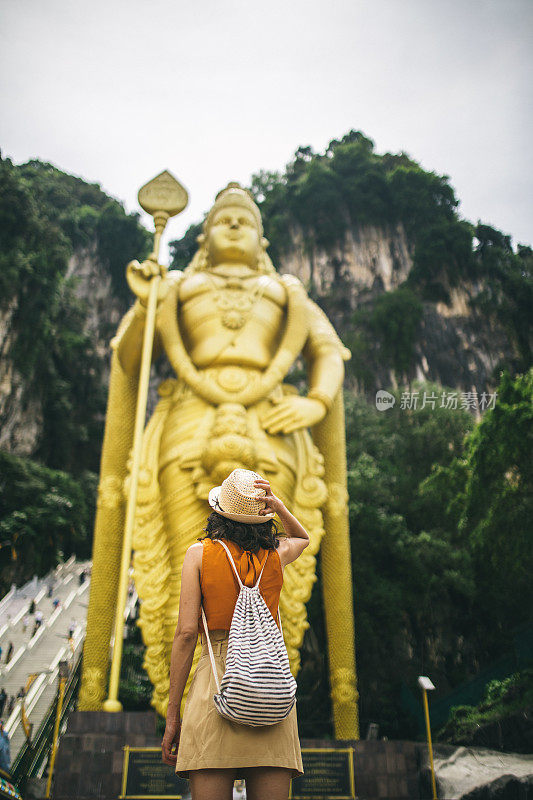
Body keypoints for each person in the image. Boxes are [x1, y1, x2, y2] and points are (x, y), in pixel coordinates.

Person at [80, 183, 358, 741]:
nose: (234, 225)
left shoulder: (285, 292)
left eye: (245, 219)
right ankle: (191, 710)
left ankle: (256, 690)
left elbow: (327, 351)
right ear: (204, 236)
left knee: (263, 574)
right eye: (223, 218)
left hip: (271, 425)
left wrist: (316, 399)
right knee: (199, 566)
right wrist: (144, 305)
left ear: (261, 239)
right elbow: (130, 359)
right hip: (187, 424)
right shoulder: (179, 285)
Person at [161, 469, 306, 800]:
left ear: (218, 512)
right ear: (262, 518)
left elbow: (185, 634)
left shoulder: (199, 555)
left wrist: (173, 716)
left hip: (216, 680)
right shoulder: (275, 555)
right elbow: (302, 538)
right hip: (269, 685)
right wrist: (280, 507)